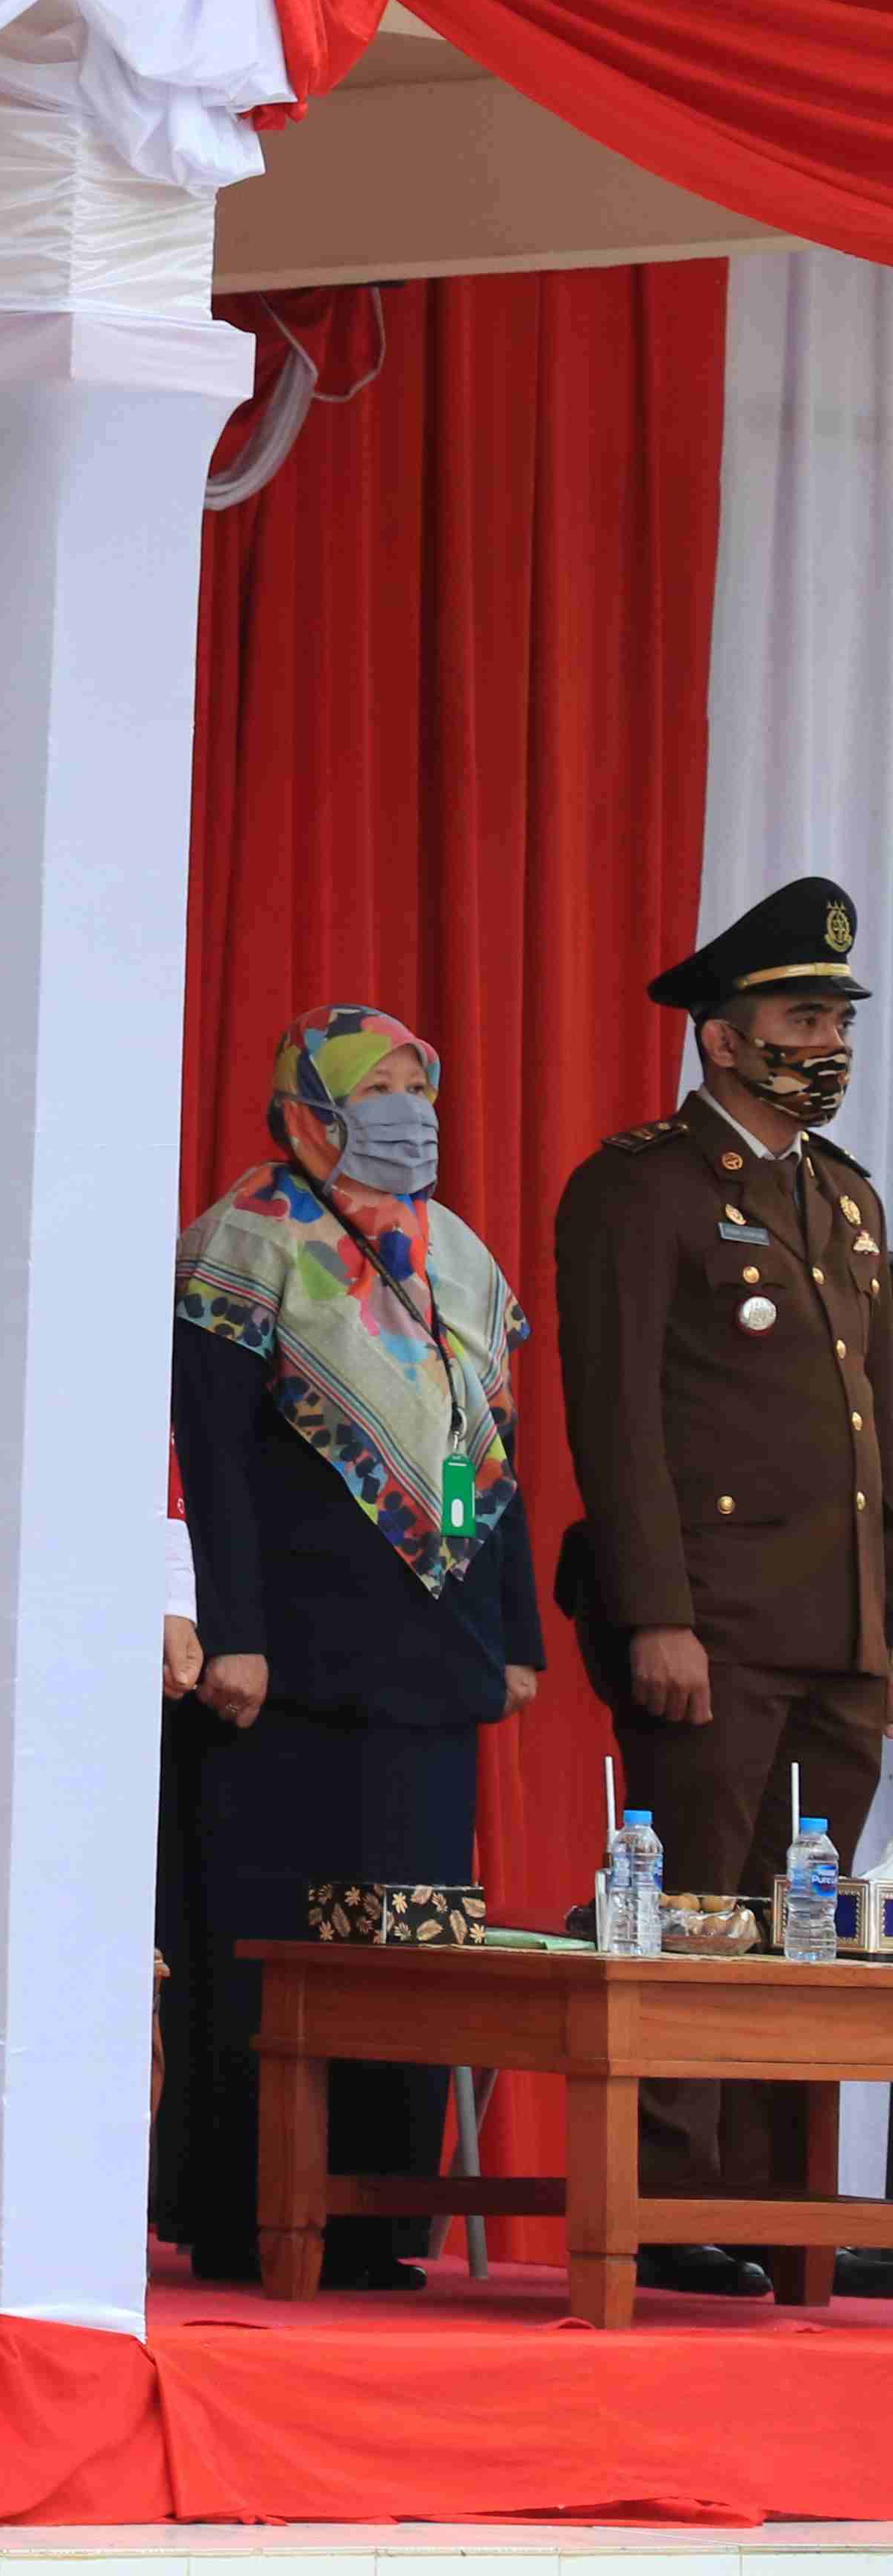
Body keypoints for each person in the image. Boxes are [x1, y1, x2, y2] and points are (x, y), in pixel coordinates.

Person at [168, 1006, 541, 2290]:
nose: (407, 1110)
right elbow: (202, 1461)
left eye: (416, 1086)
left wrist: (517, 1632)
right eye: (377, 1087)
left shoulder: (458, 1257)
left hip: (432, 1664)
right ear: (311, 1109)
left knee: (411, 1952)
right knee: (272, 1954)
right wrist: (232, 1632)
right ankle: (248, 2214)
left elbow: (489, 1456)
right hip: (282, 1673)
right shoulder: (244, 1243)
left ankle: (380, 2222)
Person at [558, 875, 893, 2301]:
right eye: (800, 1015)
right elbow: (617, 1415)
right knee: (698, 1899)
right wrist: (657, 1614)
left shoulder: (845, 1194)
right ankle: (670, 2193)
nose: (825, 1041)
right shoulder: (643, 1185)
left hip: (843, 1622)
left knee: (802, 1930)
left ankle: (783, 2204)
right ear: (718, 1035)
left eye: (837, 1016)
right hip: (716, 1619)